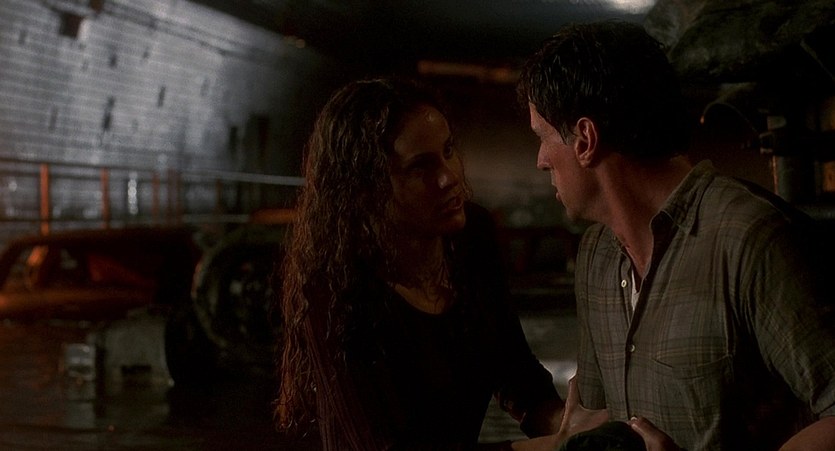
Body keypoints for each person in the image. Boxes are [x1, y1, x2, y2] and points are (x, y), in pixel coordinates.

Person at [516, 20, 835, 450]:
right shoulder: (596, 256)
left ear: (585, 140)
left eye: (542, 137)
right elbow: (597, 417)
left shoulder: (748, 239)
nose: (540, 160)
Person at [275, 77, 574, 450]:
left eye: (448, 150)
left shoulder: (472, 237)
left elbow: (515, 372)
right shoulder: (335, 289)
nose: (449, 178)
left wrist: (574, 427)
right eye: (420, 167)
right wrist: (546, 448)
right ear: (366, 189)